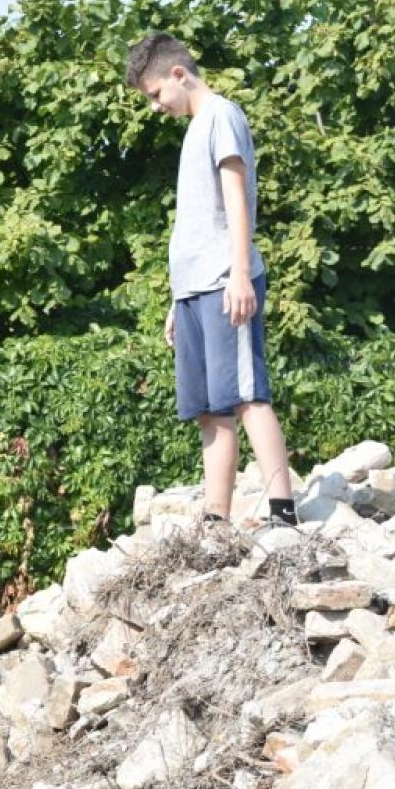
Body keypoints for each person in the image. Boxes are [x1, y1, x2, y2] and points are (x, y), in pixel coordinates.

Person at [125, 32, 298, 528]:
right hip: (193, 290)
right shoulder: (195, 128)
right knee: (208, 409)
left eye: (156, 94)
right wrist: (177, 300)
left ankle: (283, 512)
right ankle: (216, 518)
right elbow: (198, 222)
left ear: (179, 74)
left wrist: (239, 274)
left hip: (226, 281)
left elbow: (237, 198)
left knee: (246, 396)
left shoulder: (222, 115)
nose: (156, 106)